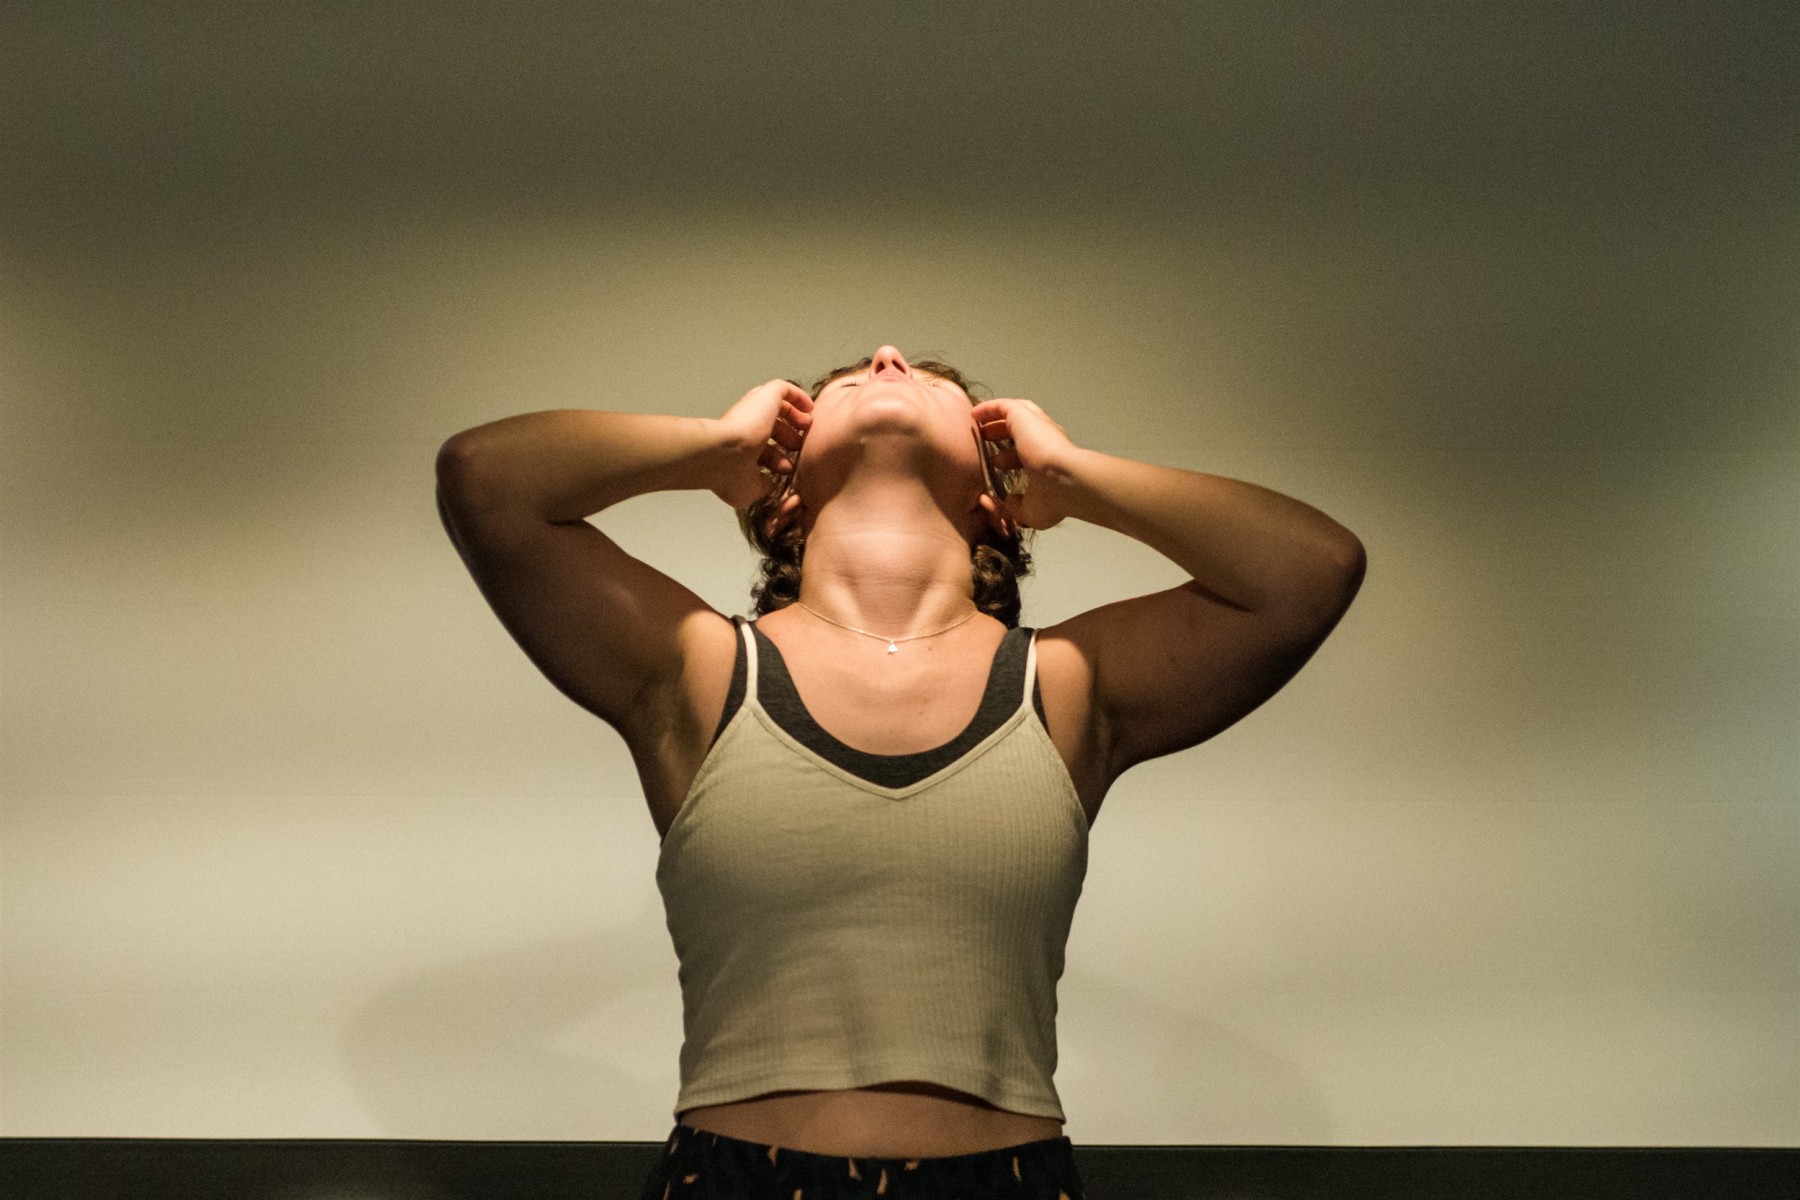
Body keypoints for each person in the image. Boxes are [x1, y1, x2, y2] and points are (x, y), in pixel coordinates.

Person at [435, 345, 1365, 1199]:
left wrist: (1074, 476)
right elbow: (486, 478)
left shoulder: (1068, 684)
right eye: (849, 380)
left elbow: (1312, 568)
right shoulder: (700, 668)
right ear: (783, 496)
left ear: (997, 495)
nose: (886, 357)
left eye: (929, 378)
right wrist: (713, 449)